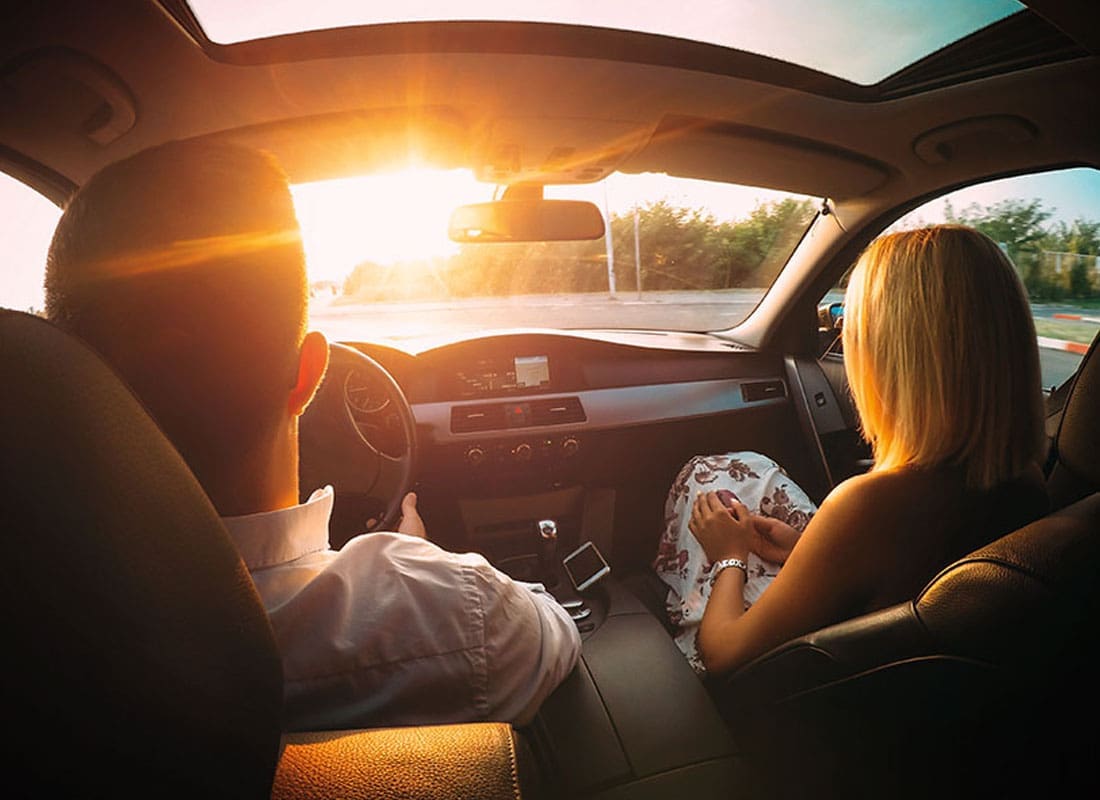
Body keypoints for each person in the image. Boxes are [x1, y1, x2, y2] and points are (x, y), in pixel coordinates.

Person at [44, 139, 581, 730]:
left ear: (68, 384)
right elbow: (556, 632)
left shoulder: (40, 632)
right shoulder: (458, 614)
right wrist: (419, 560)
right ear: (308, 374)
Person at [653, 225, 1049, 676]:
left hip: (790, 710)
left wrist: (730, 553)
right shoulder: (1028, 481)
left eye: (850, 326)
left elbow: (723, 654)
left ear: (892, 356)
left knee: (713, 474)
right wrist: (808, 549)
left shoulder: (867, 507)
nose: (843, 336)